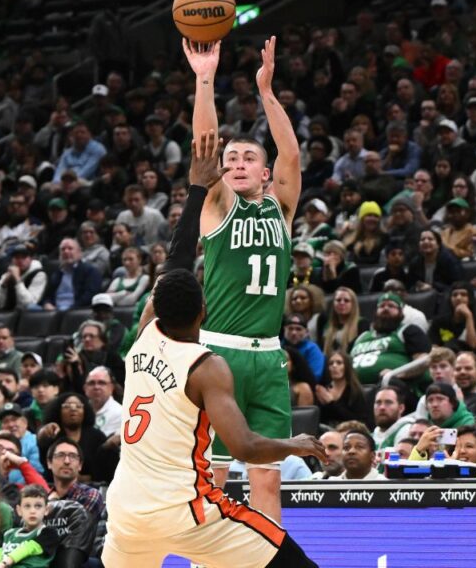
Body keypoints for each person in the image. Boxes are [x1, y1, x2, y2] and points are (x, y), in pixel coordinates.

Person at [102, 263, 324, 566]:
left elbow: (160, 290)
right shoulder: (206, 366)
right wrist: (295, 444)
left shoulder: (143, 337)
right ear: (204, 311)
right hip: (186, 512)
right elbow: (245, 448)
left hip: (126, 514)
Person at [181, 36, 304, 524]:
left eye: (247, 158)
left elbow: (291, 153)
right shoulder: (217, 207)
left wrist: (267, 92)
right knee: (211, 479)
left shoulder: (281, 208)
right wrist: (205, 78)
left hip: (269, 357)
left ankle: (269, 557)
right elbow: (205, 146)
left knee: (267, 481)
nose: (235, 164)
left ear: (265, 173)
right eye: (231, 160)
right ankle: (202, 558)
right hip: (220, 355)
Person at [0, 485, 92, 568]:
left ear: (46, 510)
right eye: (27, 506)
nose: (32, 511)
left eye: (38, 506)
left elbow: (29, 548)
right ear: (19, 510)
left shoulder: (49, 534)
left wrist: (5, 562)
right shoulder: (9, 534)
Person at [349, 292, 432, 389]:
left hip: (394, 387)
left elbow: (423, 361)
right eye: (382, 306)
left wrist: (397, 373)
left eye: (391, 306)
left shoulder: (408, 331)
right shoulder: (362, 337)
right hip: (354, 389)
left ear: (400, 312)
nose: (386, 308)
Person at [44, 438, 105, 527]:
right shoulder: (43, 497)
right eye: (60, 455)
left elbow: (76, 529)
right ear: (49, 463)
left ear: (80, 465)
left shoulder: (90, 495)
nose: (67, 461)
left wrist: (53, 503)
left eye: (73, 456)